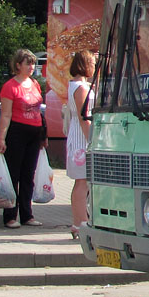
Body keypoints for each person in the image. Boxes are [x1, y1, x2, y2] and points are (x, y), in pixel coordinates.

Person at [0, 48, 46, 229]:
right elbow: (6, 115)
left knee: (28, 175)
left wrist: (43, 135)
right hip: (16, 132)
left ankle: (27, 215)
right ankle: (10, 216)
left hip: (34, 133)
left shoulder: (34, 84)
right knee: (13, 175)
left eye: (33, 63)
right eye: (28, 63)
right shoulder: (10, 86)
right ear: (18, 65)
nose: (32, 67)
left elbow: (39, 111)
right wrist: (2, 138)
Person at [65, 50, 95, 238]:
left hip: (77, 138)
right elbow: (85, 117)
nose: (94, 66)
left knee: (81, 182)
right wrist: (91, 139)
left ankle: (79, 221)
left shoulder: (75, 85)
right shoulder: (81, 88)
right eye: (92, 63)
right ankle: (80, 222)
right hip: (82, 141)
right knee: (82, 182)